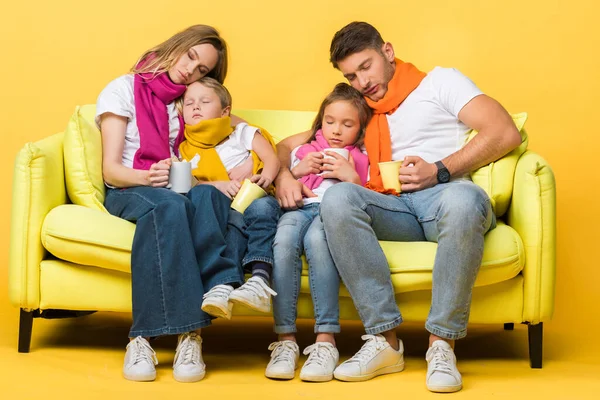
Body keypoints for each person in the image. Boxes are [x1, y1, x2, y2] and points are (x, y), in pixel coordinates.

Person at [275, 22, 522, 392]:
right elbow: (285, 145)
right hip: (390, 206)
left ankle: (442, 346)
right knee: (339, 197)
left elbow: (504, 132)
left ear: (387, 52)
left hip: (444, 198)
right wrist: (284, 177)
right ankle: (385, 343)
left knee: (465, 198)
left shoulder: (440, 83)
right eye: (351, 75)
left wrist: (438, 171)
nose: (362, 81)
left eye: (366, 66)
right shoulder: (358, 112)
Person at [97, 25, 248, 383]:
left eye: (202, 71)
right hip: (130, 187)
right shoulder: (122, 89)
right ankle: (152, 336)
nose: (190, 70)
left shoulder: (185, 102)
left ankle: (205, 310)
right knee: (169, 206)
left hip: (172, 188)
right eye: (191, 56)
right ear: (177, 45)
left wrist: (272, 152)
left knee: (208, 195)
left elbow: (234, 122)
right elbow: (111, 171)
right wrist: (148, 176)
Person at [265, 83, 370, 382]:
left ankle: (326, 340)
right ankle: (285, 340)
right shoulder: (303, 148)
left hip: (331, 213)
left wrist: (351, 177)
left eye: (347, 124)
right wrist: (296, 171)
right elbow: (280, 168)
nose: (336, 130)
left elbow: (372, 197)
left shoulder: (361, 154)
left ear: (360, 128)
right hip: (299, 207)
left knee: (318, 242)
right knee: (283, 241)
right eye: (330, 121)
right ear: (320, 120)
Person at [178, 77, 281, 316]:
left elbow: (271, 158)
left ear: (225, 111)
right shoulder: (184, 149)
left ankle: (253, 280)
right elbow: (190, 185)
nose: (195, 106)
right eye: (189, 102)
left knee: (256, 213)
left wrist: (264, 178)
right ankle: (224, 285)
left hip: (253, 195)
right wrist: (218, 184)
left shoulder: (241, 133)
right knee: (231, 224)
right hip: (222, 206)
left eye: (204, 101)